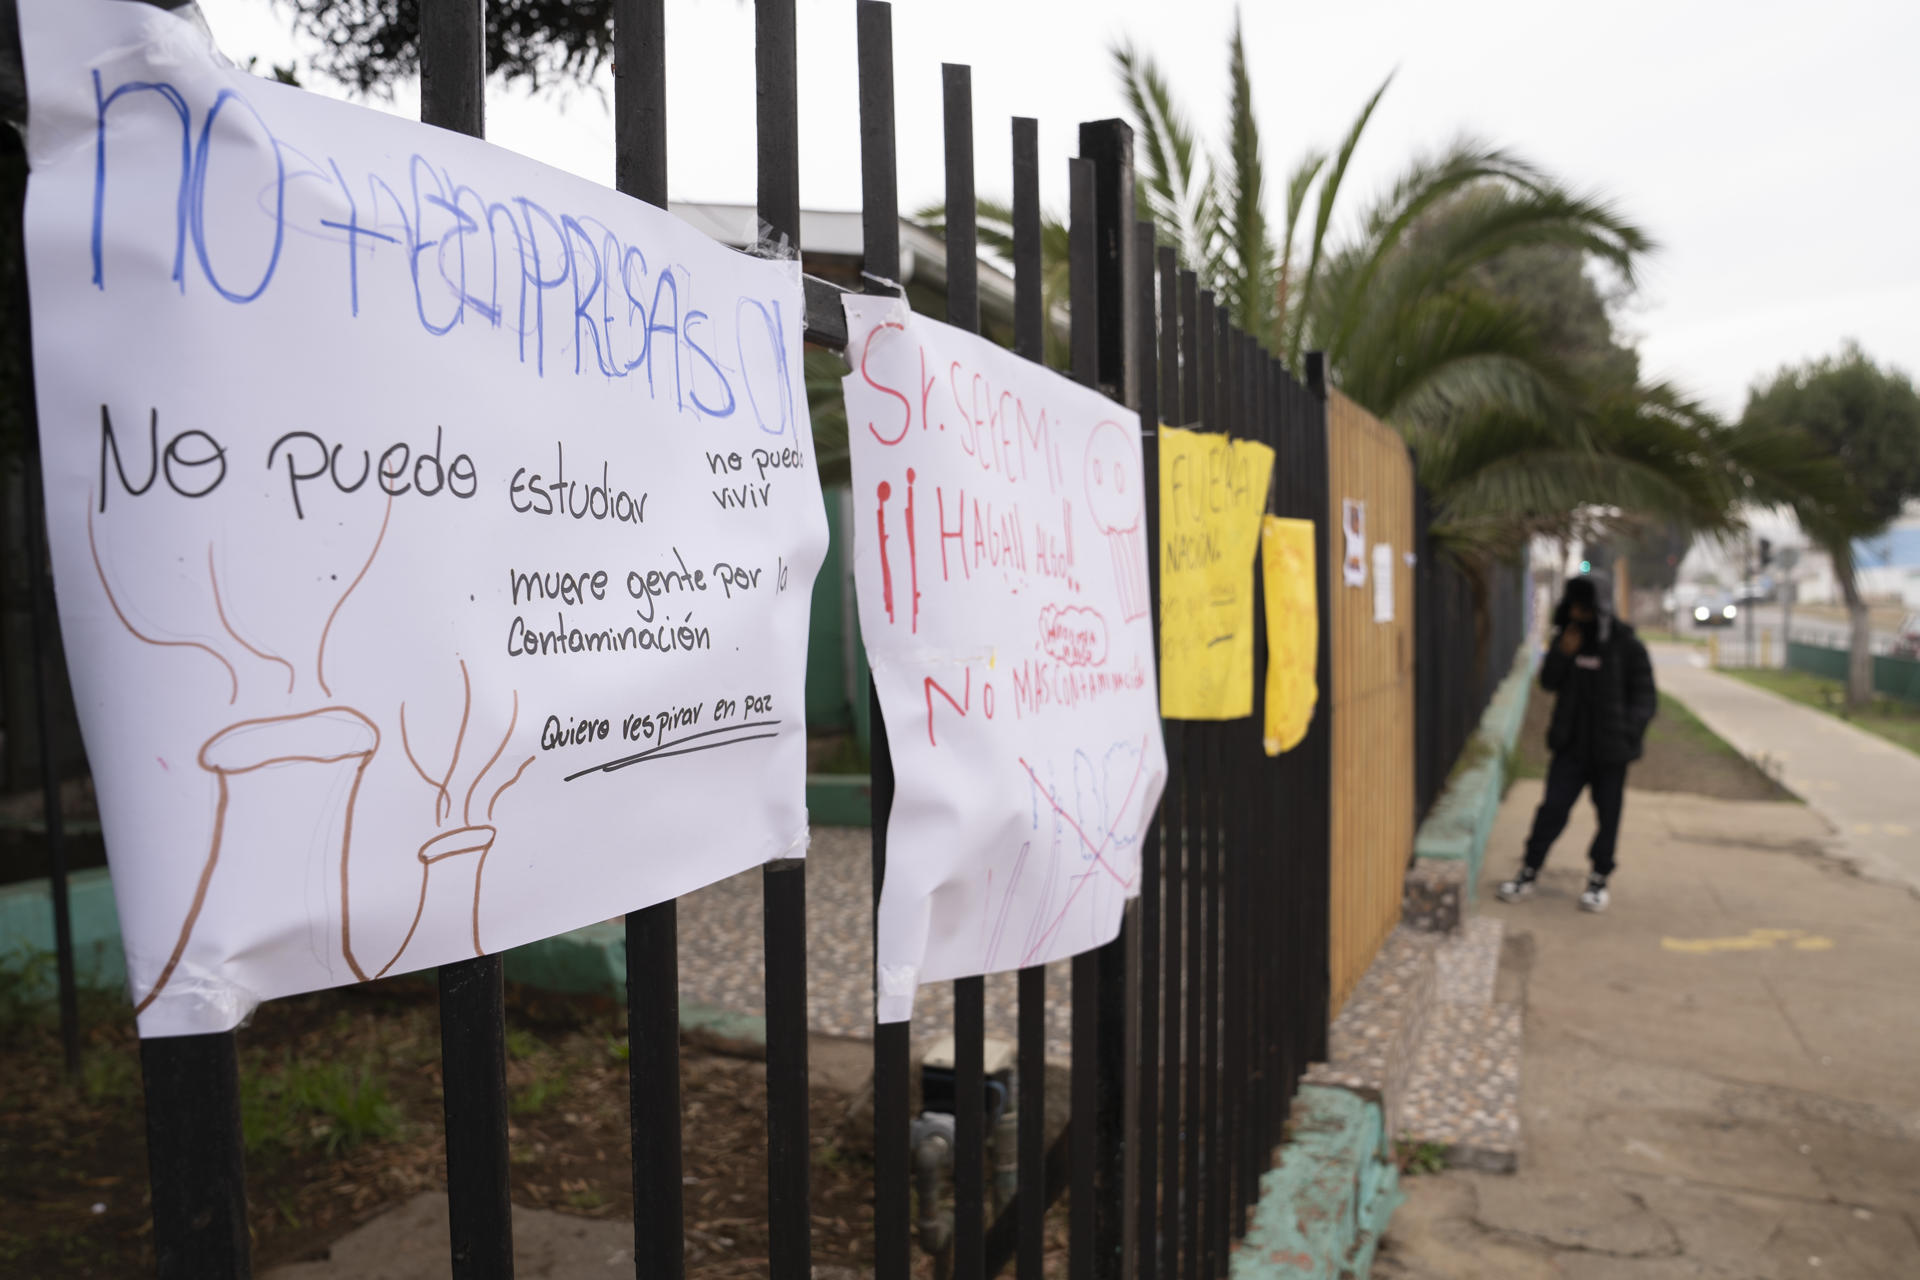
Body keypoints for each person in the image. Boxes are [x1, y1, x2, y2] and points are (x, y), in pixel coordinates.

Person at [1497, 572, 1657, 912]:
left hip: (1611, 753)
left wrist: (1628, 733)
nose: (1578, 615)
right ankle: (1529, 870)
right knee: (1552, 810)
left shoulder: (1626, 645)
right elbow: (1548, 684)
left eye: (1584, 608)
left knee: (1608, 817)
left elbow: (1645, 697)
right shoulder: (1568, 639)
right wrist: (1562, 654)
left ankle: (1599, 879)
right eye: (1573, 608)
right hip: (1571, 748)